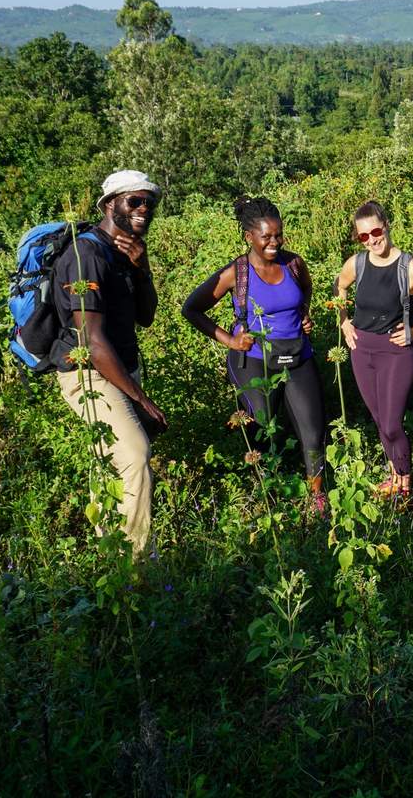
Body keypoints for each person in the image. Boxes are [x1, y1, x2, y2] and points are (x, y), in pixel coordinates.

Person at [181, 196, 328, 515]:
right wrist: (229, 340)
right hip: (254, 359)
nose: (274, 242)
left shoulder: (294, 263)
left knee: (313, 431)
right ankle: (267, 496)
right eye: (266, 237)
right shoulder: (237, 273)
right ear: (249, 236)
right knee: (263, 429)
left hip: (297, 354)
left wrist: (303, 313)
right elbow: (191, 309)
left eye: (278, 235)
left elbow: (306, 290)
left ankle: (316, 499)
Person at [49, 169, 164, 557]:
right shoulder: (87, 255)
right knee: (134, 454)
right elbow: (92, 341)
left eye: (149, 203)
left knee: (110, 464)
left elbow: (146, 317)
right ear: (109, 204)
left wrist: (142, 267)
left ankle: (105, 556)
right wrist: (142, 399)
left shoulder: (124, 252)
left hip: (122, 369)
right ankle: (134, 565)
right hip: (88, 372)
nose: (143, 209)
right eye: (134, 201)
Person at [334, 200, 413, 500]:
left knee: (391, 422)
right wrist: (344, 321)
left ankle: (405, 484)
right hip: (362, 349)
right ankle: (394, 475)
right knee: (378, 418)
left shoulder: (409, 267)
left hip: (396, 351)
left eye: (376, 230)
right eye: (363, 236)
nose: (372, 239)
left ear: (386, 226)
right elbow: (339, 287)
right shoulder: (356, 264)